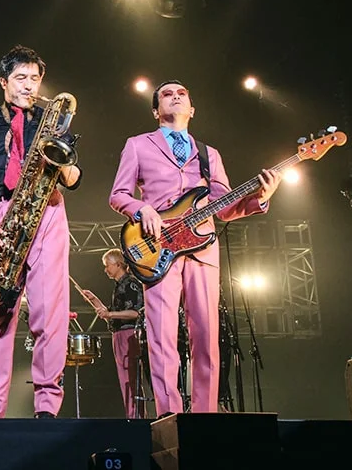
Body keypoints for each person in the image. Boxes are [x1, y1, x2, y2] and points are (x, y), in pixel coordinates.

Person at [109, 80, 281, 416]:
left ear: (192, 109)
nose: (175, 96)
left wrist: (260, 198)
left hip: (203, 248)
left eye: (182, 94)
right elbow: (118, 195)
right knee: (161, 336)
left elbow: (225, 207)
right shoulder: (137, 145)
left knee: (207, 335)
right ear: (156, 111)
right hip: (158, 248)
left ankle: (206, 415)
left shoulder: (208, 154)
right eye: (167, 94)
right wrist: (142, 210)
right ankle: (169, 415)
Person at [0, 46, 81, 419]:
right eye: (21, 78)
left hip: (49, 210)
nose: (29, 86)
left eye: (35, 79)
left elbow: (74, 179)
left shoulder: (53, 121)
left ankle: (47, 409)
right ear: (3, 82)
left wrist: (62, 155)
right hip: (2, 216)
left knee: (50, 314)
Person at [80, 248, 145, 418]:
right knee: (125, 378)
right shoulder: (119, 287)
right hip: (119, 335)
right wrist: (94, 300)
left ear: (118, 265)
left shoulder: (130, 284)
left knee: (131, 378)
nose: (105, 269)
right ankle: (133, 415)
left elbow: (136, 313)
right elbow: (111, 314)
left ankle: (136, 416)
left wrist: (110, 314)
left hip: (129, 334)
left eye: (107, 265)